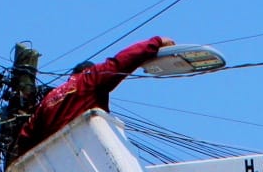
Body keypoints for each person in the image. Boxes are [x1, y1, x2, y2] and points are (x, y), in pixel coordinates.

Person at [15, 36, 174, 155]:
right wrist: (156, 41)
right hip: (85, 154)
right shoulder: (89, 79)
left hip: (53, 168)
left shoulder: (47, 101)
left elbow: (25, 137)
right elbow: (121, 62)